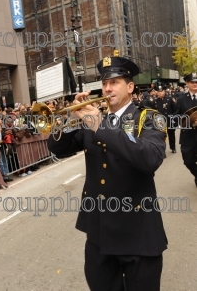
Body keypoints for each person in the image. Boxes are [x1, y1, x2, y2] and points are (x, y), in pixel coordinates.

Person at [48, 56, 168, 291]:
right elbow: (57, 149)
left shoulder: (150, 118)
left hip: (138, 233)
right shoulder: (92, 120)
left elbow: (150, 158)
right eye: (105, 83)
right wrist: (71, 118)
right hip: (99, 233)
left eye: (115, 82)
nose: (107, 88)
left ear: (130, 87)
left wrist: (99, 125)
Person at [173, 72, 197, 187]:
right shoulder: (181, 99)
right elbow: (176, 117)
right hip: (188, 136)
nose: (195, 84)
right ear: (187, 83)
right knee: (188, 161)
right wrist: (189, 121)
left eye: (196, 82)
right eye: (192, 82)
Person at [154, 86, 177, 155]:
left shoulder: (169, 99)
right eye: (158, 92)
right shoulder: (155, 101)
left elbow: (175, 109)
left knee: (171, 135)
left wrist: (174, 119)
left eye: (161, 91)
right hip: (160, 121)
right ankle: (162, 151)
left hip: (169, 120)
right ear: (157, 93)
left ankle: (173, 148)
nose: (160, 93)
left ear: (164, 92)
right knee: (162, 136)